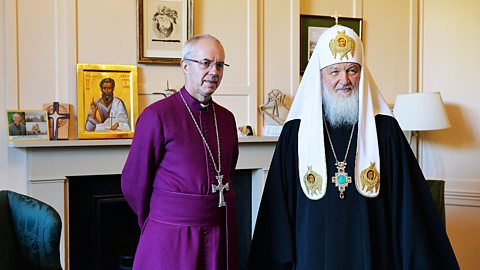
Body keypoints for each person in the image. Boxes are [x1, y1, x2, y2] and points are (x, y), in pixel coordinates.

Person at [248, 25, 459, 269]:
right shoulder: (295, 132)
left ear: (362, 74)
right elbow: (278, 211)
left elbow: (410, 210)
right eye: (334, 71)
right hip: (312, 255)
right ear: (320, 76)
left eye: (352, 70)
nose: (344, 80)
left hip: (375, 254)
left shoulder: (385, 130)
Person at [122, 34, 239, 270]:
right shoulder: (156, 116)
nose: (214, 71)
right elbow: (133, 182)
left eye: (219, 65)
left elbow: (228, 171)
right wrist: (161, 219)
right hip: (171, 237)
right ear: (185, 66)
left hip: (218, 234)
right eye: (205, 63)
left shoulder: (227, 119)